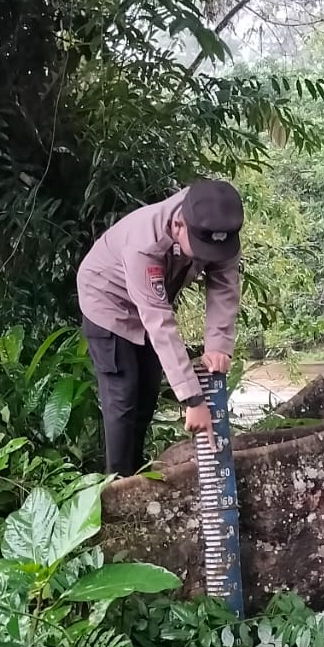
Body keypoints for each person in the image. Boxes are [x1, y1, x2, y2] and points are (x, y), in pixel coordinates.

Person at [76, 178, 242, 476]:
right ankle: (116, 486)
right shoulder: (145, 243)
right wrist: (193, 398)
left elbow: (224, 285)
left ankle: (136, 475)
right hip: (107, 301)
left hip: (147, 304)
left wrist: (218, 345)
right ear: (179, 226)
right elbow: (158, 319)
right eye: (202, 249)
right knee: (124, 396)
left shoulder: (219, 226)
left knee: (148, 393)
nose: (209, 257)